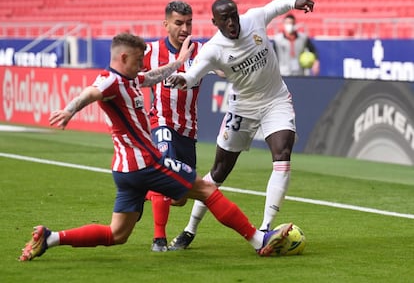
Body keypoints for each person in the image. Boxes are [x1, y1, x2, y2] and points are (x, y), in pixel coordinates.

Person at [18, 32, 293, 262]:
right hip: (146, 163)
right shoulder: (111, 80)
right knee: (207, 189)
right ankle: (259, 241)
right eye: (138, 60)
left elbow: (152, 76)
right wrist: (69, 110)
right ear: (123, 58)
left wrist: (181, 62)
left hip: (125, 171)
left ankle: (50, 238)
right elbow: (90, 92)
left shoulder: (130, 78)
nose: (141, 65)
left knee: (117, 234)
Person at [168, 0, 314, 250]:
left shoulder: (254, 19)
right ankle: (190, 230)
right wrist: (184, 80)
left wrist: (296, 1)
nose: (232, 21)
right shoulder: (214, 49)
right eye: (224, 18)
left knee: (283, 155)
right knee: (219, 171)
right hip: (242, 108)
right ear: (215, 22)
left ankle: (266, 229)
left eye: (233, 15)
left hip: (275, 100)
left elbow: (275, 7)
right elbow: (194, 73)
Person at [142, 0, 203, 252]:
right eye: (179, 23)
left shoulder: (202, 51)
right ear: (165, 24)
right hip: (162, 123)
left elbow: (223, 69)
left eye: (189, 22)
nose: (185, 28)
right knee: (164, 176)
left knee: (179, 197)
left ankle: (141, 188)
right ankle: (159, 239)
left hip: (188, 130)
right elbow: (128, 74)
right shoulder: (151, 51)